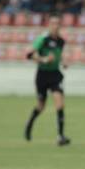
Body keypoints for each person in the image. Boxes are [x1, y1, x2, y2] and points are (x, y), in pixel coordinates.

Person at [24, 15, 71, 146]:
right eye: (53, 23)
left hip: (55, 75)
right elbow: (29, 54)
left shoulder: (61, 41)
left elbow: (59, 54)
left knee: (60, 103)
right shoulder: (43, 39)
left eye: (57, 23)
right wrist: (43, 59)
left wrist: (64, 61)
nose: (55, 26)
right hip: (42, 75)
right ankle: (29, 124)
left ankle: (60, 136)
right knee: (41, 106)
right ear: (49, 25)